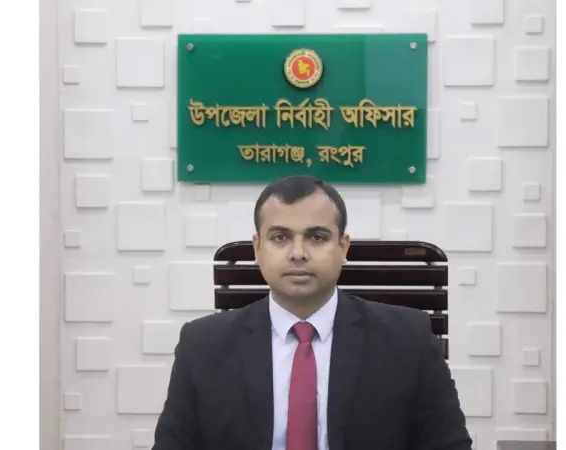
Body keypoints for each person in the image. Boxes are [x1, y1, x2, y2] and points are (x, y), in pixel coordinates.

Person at [151, 175, 472, 450]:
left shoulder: (408, 340)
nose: (298, 253)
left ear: (343, 247)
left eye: (317, 237)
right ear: (257, 248)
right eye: (280, 237)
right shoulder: (202, 346)